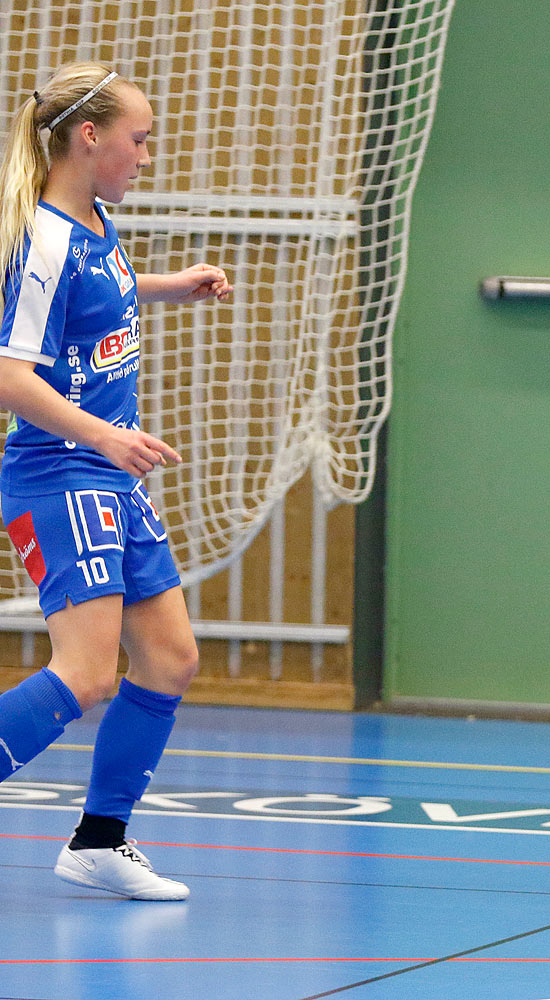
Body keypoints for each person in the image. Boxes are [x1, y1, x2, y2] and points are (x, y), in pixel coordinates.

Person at [0, 63, 232, 900]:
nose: (146, 155)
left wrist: (170, 287)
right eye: (139, 140)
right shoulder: (43, 237)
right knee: (89, 672)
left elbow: (102, 301)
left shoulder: (96, 219)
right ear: (88, 138)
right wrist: (109, 435)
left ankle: (99, 841)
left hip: (106, 474)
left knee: (169, 659)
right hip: (61, 476)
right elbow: (10, 374)